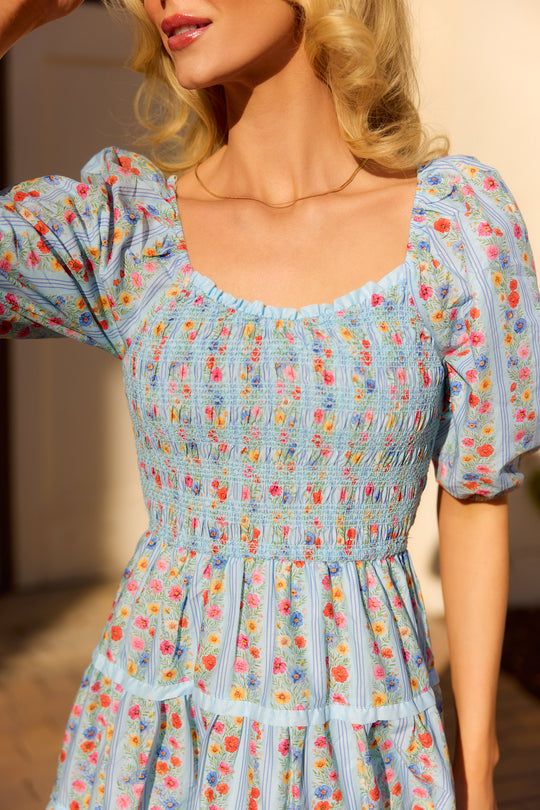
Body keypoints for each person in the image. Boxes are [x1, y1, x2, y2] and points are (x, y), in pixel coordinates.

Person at [1, 1, 539, 808]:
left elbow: (473, 497)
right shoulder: (128, 232)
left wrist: (478, 767)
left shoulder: (456, 231)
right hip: (158, 739)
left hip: (366, 741)